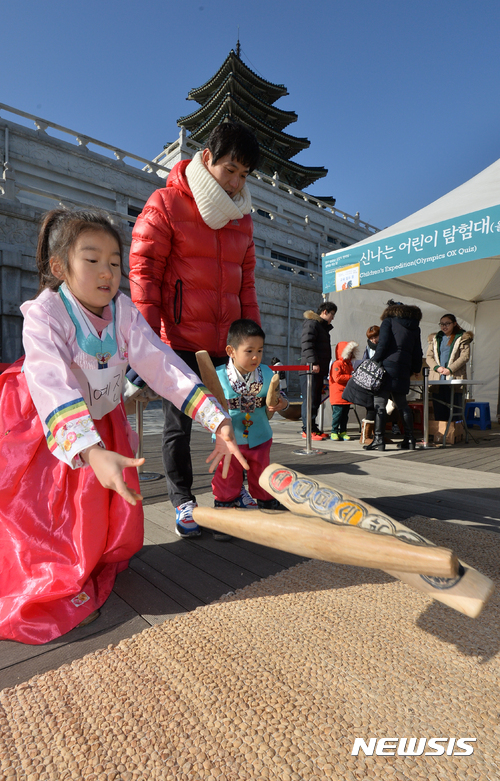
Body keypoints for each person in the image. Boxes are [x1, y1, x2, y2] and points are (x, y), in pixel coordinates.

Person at [0, 208, 248, 645]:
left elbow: (164, 367)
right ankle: (57, 575)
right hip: (47, 422)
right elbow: (50, 382)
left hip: (103, 419)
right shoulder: (45, 313)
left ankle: (86, 556)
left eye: (115, 262)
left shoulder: (123, 312)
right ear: (59, 268)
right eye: (91, 260)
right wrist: (90, 451)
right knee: (48, 511)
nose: (107, 272)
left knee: (95, 510)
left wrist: (217, 419)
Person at [129, 120, 261, 538]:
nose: (237, 182)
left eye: (244, 175)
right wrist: (145, 345)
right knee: (177, 428)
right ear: (207, 159)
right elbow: (144, 274)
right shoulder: (166, 203)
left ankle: (226, 495)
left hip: (227, 346)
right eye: (230, 170)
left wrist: (252, 344)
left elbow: (248, 286)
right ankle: (183, 500)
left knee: (233, 423)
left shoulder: (242, 219)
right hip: (179, 341)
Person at [211, 319, 289, 539]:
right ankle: (224, 512)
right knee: (226, 475)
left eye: (260, 350)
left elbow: (281, 397)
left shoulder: (267, 372)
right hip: (229, 440)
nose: (256, 356)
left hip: (260, 436)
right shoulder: (216, 376)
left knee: (261, 473)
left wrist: (279, 403)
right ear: (231, 351)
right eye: (249, 351)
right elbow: (206, 406)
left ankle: (266, 505)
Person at [364, 300, 423, 451]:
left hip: (386, 367)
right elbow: (417, 351)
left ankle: (378, 440)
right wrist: (416, 368)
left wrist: (374, 361)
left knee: (380, 404)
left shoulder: (388, 321)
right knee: (402, 405)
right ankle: (410, 439)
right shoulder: (415, 326)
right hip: (404, 369)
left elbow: (382, 344)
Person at [299, 301, 337, 440]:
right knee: (310, 400)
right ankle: (306, 429)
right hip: (310, 369)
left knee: (315, 400)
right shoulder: (312, 323)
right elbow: (307, 343)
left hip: (318, 370)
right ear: (325, 311)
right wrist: (313, 362)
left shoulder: (322, 327)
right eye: (332, 314)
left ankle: (312, 427)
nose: (333, 318)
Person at [426, 314, 473, 421]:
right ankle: (441, 434)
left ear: (454, 324)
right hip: (438, 379)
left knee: (454, 407)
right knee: (439, 408)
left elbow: (464, 357)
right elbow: (429, 356)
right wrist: (437, 367)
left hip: (454, 377)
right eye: (442, 324)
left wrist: (450, 369)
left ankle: (454, 434)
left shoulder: (462, 337)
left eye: (447, 323)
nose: (444, 326)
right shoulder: (436, 338)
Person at [329, 341, 358, 441]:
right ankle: (334, 431)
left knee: (345, 416)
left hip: (346, 394)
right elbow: (337, 378)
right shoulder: (337, 364)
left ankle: (343, 432)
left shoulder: (348, 364)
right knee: (337, 415)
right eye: (349, 352)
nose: (350, 354)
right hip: (338, 394)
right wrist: (351, 377)